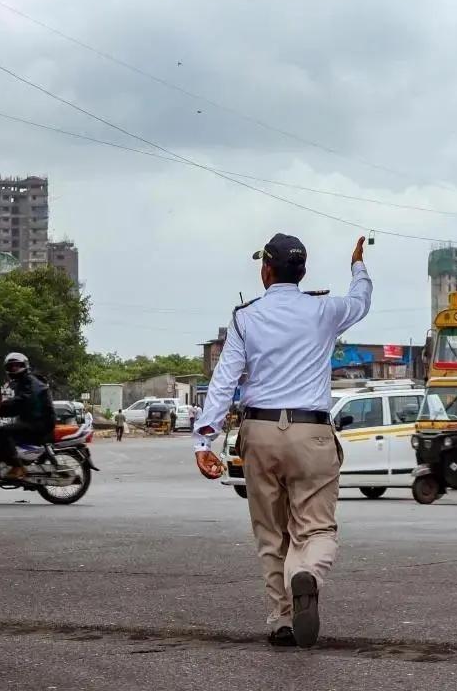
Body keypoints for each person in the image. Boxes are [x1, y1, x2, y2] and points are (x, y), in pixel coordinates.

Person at [193, 234, 372, 649]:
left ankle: (282, 617)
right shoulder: (325, 310)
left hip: (259, 433)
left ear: (265, 271)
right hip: (311, 433)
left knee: (272, 534)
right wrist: (358, 266)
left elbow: (224, 382)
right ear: (303, 272)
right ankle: (306, 574)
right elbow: (361, 300)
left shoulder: (245, 317)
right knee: (317, 528)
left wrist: (205, 441)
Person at [0, 352, 56, 479]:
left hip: (40, 422)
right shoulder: (24, 382)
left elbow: (23, 400)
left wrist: (2, 406)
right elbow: (19, 407)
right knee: (4, 429)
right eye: (11, 366)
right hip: (35, 420)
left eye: (17, 365)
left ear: (24, 365)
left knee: (4, 431)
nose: (14, 369)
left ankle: (17, 467)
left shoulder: (30, 382)